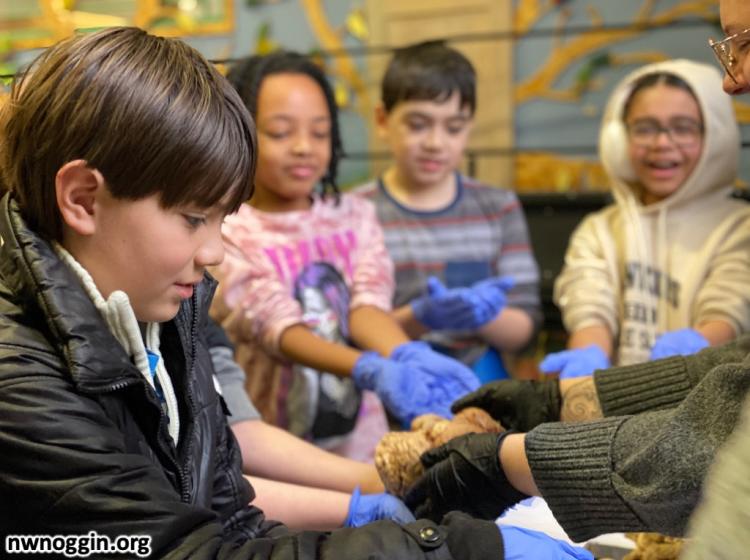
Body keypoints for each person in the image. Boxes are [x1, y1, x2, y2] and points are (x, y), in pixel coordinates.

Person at [0, 26, 580, 560]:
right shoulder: (20, 381)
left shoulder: (162, 317)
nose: (214, 253)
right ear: (82, 198)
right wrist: (443, 548)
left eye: (222, 220)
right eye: (192, 217)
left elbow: (223, 510)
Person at [210, 51, 479, 459]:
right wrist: (369, 369)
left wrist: (403, 354)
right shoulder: (225, 229)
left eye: (319, 133)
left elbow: (366, 304)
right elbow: (276, 326)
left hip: (362, 443)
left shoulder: (355, 216)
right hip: (274, 448)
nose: (304, 147)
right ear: (240, 132)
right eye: (281, 133)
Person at [540, 58, 750, 379]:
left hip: (706, 396)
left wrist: (701, 342)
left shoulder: (740, 227)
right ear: (619, 138)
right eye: (645, 128)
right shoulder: (599, 230)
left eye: (682, 127)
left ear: (714, 137)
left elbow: (731, 307)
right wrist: (588, 354)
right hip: (620, 403)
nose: (662, 144)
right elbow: (590, 308)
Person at [356, 41, 541, 383]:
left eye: (453, 128)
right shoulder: (356, 213)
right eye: (417, 124)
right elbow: (348, 331)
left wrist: (475, 315)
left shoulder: (498, 207)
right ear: (383, 120)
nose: (435, 143)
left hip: (483, 377)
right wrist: (421, 317)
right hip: (392, 374)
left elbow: (523, 327)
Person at [206, 317, 413, 530]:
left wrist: (378, 483)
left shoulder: (197, 322)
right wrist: (354, 506)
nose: (197, 282)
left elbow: (240, 431)